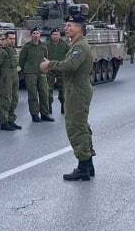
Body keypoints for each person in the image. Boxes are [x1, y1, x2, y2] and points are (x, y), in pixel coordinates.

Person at [41, 15, 97, 181]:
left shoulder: (80, 47)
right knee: (81, 126)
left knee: (76, 127)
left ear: (78, 28)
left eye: (69, 25)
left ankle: (83, 167)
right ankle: (88, 165)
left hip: (77, 92)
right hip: (76, 90)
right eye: (66, 25)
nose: (66, 28)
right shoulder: (76, 45)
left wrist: (50, 65)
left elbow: (71, 66)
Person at [19, 28, 53, 122]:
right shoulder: (27, 47)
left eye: (37, 33)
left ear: (40, 35)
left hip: (41, 73)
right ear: (31, 35)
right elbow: (21, 60)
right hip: (30, 73)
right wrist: (25, 70)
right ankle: (34, 114)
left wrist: (46, 69)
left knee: (44, 93)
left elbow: (46, 58)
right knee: (33, 94)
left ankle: (44, 114)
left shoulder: (43, 47)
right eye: (34, 33)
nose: (36, 35)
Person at [0, 30, 21, 131]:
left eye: (14, 39)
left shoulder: (13, 50)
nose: (12, 41)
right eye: (10, 39)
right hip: (6, 76)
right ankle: (4, 122)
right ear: (6, 39)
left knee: (14, 99)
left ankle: (11, 120)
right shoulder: (2, 51)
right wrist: (2, 75)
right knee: (5, 99)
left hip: (14, 75)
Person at [45, 29, 70, 114]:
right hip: (50, 69)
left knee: (63, 88)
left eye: (57, 34)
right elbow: (42, 55)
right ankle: (48, 107)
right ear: (51, 35)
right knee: (48, 89)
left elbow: (69, 55)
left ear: (59, 35)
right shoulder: (46, 44)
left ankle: (64, 107)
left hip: (61, 69)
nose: (55, 36)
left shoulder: (64, 44)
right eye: (54, 34)